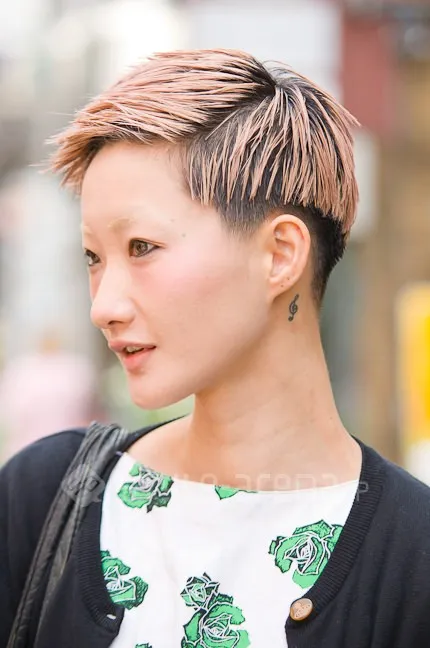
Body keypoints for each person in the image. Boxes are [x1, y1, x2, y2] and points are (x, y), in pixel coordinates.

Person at [1, 49, 429, 648]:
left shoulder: (412, 557)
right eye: (93, 257)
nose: (103, 306)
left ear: (280, 254)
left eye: (142, 247)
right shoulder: (46, 496)